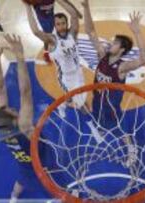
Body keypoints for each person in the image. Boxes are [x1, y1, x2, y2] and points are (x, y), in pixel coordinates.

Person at [82, 0, 145, 166]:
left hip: (111, 107)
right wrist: (86, 8)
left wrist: (137, 32)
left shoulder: (122, 67)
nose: (110, 44)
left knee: (120, 131)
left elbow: (144, 59)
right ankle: (101, 129)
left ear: (121, 49)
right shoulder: (102, 56)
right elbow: (90, 31)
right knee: (97, 119)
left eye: (115, 43)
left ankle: (131, 152)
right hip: (97, 101)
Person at [25, 0, 101, 142]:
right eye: (58, 24)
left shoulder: (73, 33)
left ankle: (62, 104)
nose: (61, 26)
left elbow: (73, 14)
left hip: (78, 74)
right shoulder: (52, 40)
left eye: (63, 23)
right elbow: (36, 31)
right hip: (66, 78)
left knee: (75, 100)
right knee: (81, 105)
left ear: (66, 24)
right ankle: (93, 129)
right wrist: (28, 8)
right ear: (55, 25)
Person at [0, 34, 44, 201]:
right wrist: (20, 57)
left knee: (22, 179)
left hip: (22, 160)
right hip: (40, 154)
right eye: (12, 111)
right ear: (13, 120)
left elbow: (0, 88)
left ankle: (13, 197)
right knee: (53, 173)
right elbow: (25, 92)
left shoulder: (1, 120)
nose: (12, 108)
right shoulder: (24, 125)